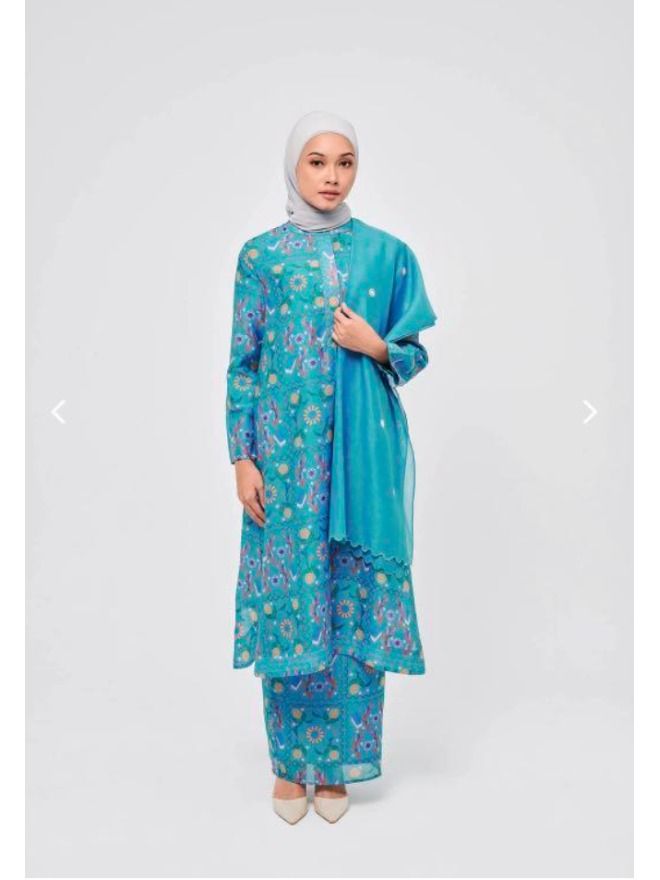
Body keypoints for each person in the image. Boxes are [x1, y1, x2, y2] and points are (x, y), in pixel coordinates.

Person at [225, 110, 437, 824]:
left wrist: (376, 345)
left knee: (351, 604)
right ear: (294, 166)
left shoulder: (387, 253)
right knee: (292, 603)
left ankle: (339, 761)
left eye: (345, 162)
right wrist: (242, 457)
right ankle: (292, 765)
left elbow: (413, 351)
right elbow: (244, 365)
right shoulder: (262, 257)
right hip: (286, 464)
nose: (331, 176)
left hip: (360, 465)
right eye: (317, 162)